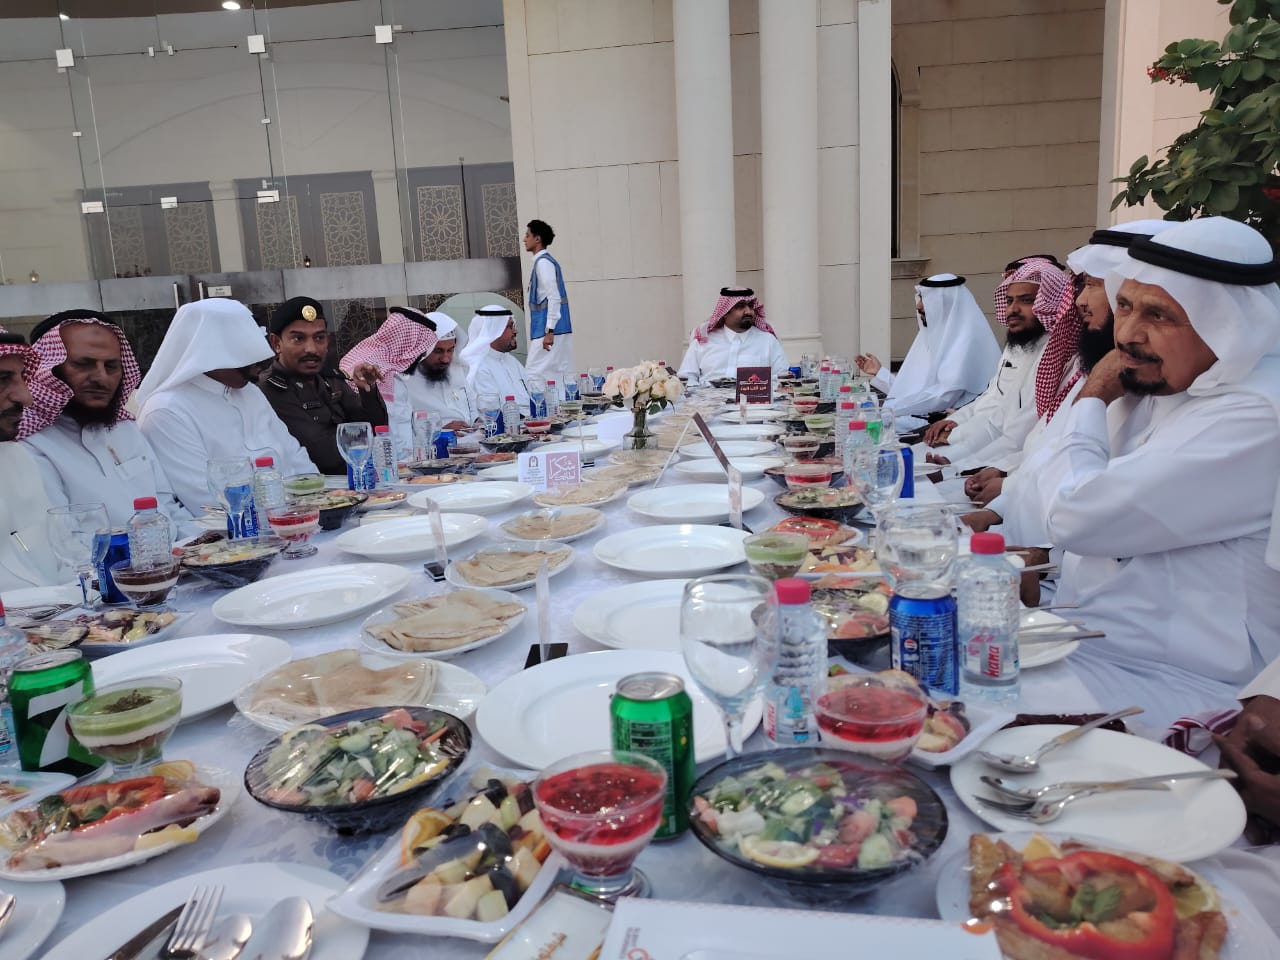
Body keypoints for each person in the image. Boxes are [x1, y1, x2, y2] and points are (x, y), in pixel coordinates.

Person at [1030, 216, 1280, 730]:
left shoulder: (1256, 414)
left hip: (1191, 683)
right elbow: (1058, 493)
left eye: (1159, 315)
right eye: (1124, 305)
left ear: (1226, 324)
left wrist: (1091, 400)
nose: (1126, 334)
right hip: (1096, 641)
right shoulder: (1167, 384)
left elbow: (1076, 516)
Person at [18, 310, 195, 537]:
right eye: (83, 364)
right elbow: (64, 541)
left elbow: (168, 508)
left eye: (111, 366)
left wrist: (207, 544)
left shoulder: (125, 428)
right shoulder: (30, 444)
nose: (101, 378)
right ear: (47, 368)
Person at [136, 298, 317, 515]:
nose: (258, 364)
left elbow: (295, 457)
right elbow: (208, 503)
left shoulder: (249, 393)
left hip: (300, 517)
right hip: (235, 530)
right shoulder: (166, 411)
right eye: (245, 355)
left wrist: (320, 503)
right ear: (212, 353)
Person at [923, 258, 1069, 468]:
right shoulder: (1018, 345)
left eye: (1026, 300)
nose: (1013, 309)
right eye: (1009, 301)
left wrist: (955, 460)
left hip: (1013, 463)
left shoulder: (1054, 355)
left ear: (1050, 302)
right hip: (980, 443)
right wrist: (957, 422)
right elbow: (992, 398)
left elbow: (1015, 431)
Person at [261, 297, 387, 475]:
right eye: (298, 338)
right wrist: (362, 442)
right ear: (276, 343)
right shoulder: (271, 388)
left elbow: (376, 430)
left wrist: (368, 390)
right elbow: (323, 453)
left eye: (319, 338)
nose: (311, 349)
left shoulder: (330, 378)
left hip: (354, 478)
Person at [853, 273, 1000, 418]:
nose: (919, 306)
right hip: (924, 416)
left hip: (951, 422)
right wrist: (880, 373)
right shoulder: (934, 336)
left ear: (945, 303)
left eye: (925, 299)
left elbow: (942, 398)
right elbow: (913, 391)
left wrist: (887, 411)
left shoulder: (966, 341)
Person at [0, 330, 62, 589]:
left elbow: (65, 558)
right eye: (2, 379)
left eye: (22, 377)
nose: (26, 398)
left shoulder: (15, 458)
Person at [385, 312, 478, 456]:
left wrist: (477, 422)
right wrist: (440, 432)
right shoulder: (402, 381)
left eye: (450, 350)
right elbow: (401, 436)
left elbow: (472, 406)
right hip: (431, 454)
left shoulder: (456, 370)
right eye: (438, 351)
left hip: (470, 446)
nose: (446, 359)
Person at [677, 287, 789, 385]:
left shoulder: (767, 341)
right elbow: (686, 377)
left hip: (754, 402)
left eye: (750, 306)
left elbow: (781, 377)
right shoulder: (704, 339)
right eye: (740, 306)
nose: (748, 311)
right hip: (708, 401)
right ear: (725, 312)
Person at [523, 219, 573, 383]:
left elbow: (554, 296)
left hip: (548, 331)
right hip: (553, 329)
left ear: (537, 239)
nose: (524, 239)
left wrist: (549, 330)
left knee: (533, 375)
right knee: (558, 376)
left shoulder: (543, 263)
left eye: (527, 235)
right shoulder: (544, 262)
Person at [459, 306, 530, 408]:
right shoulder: (478, 367)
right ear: (495, 330)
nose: (515, 331)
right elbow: (491, 410)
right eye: (510, 326)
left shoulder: (511, 360)